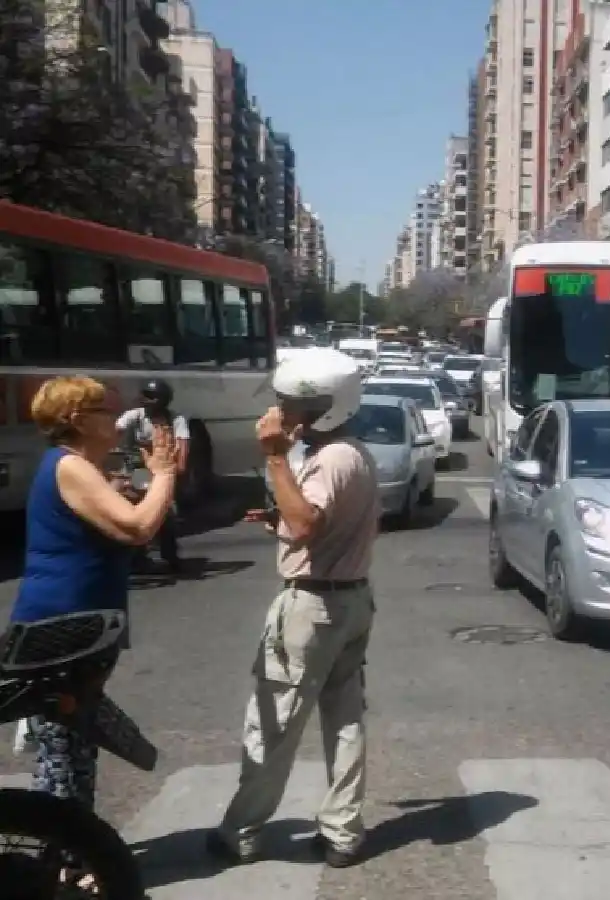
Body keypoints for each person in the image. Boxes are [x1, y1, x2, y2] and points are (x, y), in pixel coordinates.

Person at [208, 347, 380, 869]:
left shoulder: (327, 459)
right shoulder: (355, 453)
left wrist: (276, 458)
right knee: (345, 718)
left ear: (325, 407)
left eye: (291, 405)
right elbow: (312, 524)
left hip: (313, 605)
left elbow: (306, 524)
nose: (282, 414)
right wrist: (279, 518)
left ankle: (241, 831)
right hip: (351, 599)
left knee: (274, 721)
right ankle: (343, 832)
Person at [8, 376, 177, 884]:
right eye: (108, 409)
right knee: (62, 746)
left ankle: (74, 853)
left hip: (84, 625)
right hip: (60, 625)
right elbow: (137, 527)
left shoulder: (85, 469)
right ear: (78, 420)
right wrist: (165, 473)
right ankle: (51, 859)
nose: (120, 417)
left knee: (77, 742)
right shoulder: (71, 466)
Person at [115, 379, 189, 571]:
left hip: (162, 469)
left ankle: (170, 555)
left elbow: (182, 443)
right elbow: (118, 428)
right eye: (144, 395)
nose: (144, 400)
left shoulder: (175, 419)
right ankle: (138, 557)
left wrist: (179, 467)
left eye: (150, 397)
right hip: (138, 469)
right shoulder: (136, 415)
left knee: (167, 512)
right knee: (133, 510)